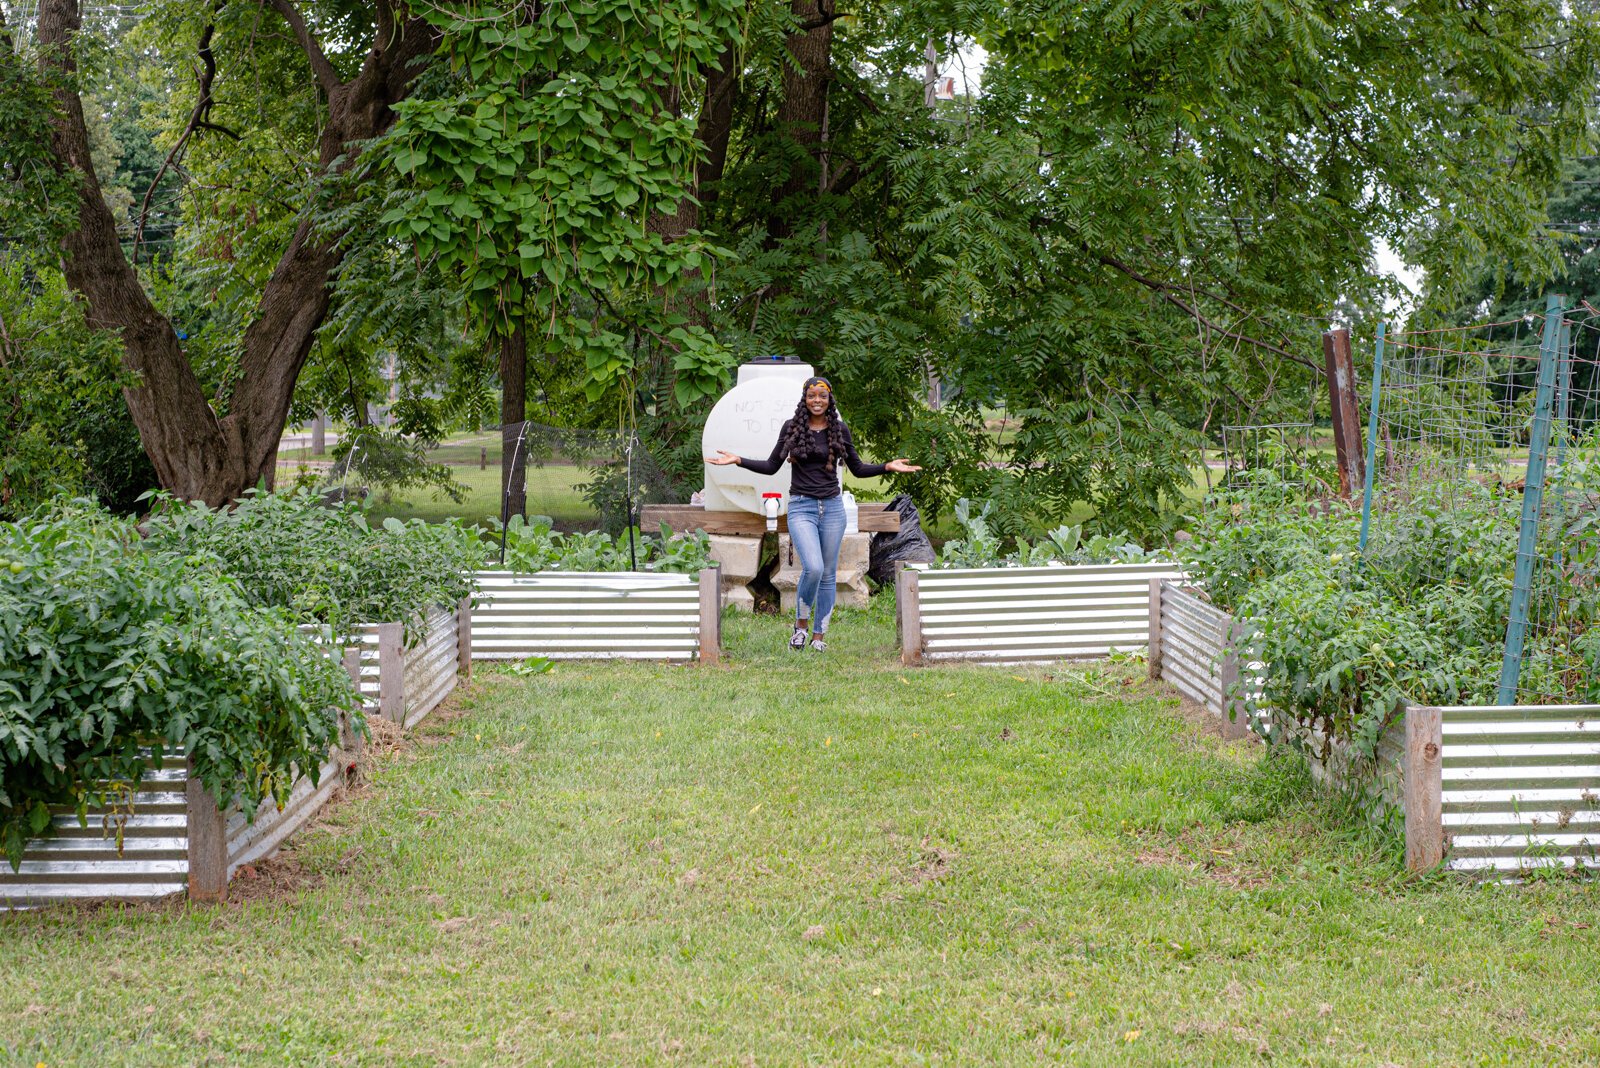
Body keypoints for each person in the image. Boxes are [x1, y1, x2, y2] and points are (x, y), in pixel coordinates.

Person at [706, 376, 922, 651]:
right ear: (804, 399)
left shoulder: (839, 430)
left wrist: (887, 467)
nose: (816, 400)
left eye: (822, 395)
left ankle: (819, 636)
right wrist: (738, 460)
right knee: (814, 567)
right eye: (811, 395)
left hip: (832, 508)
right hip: (801, 507)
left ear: (829, 398)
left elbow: (857, 468)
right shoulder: (793, 428)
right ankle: (800, 626)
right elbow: (772, 466)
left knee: (829, 574)